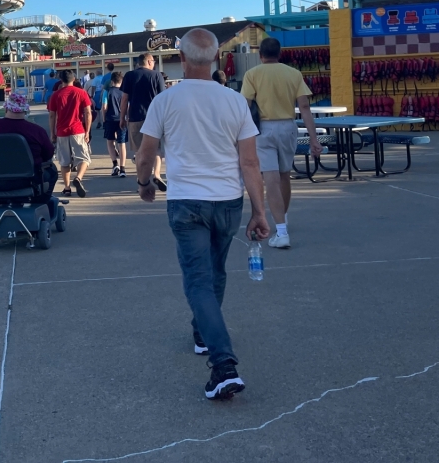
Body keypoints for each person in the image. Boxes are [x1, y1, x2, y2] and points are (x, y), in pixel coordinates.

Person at [135, 28, 269, 400]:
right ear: (215, 58)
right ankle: (202, 332)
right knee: (216, 270)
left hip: (186, 202)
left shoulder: (165, 100)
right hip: (227, 201)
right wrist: (260, 212)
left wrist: (144, 183)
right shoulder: (235, 102)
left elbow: (146, 153)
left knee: (198, 279)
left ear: (181, 58)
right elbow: (250, 162)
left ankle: (223, 364)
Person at [241, 37, 322, 249]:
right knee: (285, 175)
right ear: (279, 54)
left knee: (271, 179)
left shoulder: (252, 74)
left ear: (260, 55)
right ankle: (282, 219)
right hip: (288, 127)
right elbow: (304, 107)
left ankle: (282, 231)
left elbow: (244, 106)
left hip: (263, 129)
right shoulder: (293, 74)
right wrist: (313, 138)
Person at [0, 91, 58, 199]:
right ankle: (41, 202)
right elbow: (48, 154)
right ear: (25, 110)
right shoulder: (36, 131)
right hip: (28, 181)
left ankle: (0, 202)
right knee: (52, 170)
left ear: (6, 108)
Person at [120, 52, 165, 189]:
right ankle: (156, 174)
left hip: (135, 117)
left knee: (139, 152)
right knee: (157, 149)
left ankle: (141, 182)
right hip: (154, 118)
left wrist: (122, 118)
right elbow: (162, 99)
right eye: (154, 62)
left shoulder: (129, 75)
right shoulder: (157, 75)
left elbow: (124, 99)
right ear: (149, 62)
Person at [47, 69, 92, 197]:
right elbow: (88, 113)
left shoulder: (56, 95)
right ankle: (78, 178)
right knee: (84, 158)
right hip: (77, 130)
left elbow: (52, 115)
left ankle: (67, 188)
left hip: (62, 131)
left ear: (61, 80)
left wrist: (52, 133)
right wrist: (87, 131)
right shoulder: (81, 93)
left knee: (64, 161)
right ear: (74, 79)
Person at [101, 71, 128, 177]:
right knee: (122, 143)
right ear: (121, 81)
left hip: (110, 119)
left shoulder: (107, 91)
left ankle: (115, 164)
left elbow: (104, 107)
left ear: (112, 81)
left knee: (110, 142)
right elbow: (127, 106)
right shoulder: (124, 92)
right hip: (122, 119)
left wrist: (104, 118)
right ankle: (123, 168)